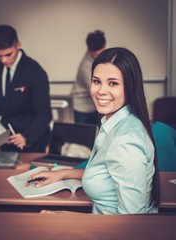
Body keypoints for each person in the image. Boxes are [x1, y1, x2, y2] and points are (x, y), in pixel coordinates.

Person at [26, 47, 160, 215]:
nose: (101, 91)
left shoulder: (126, 142)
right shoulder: (115, 124)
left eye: (113, 83)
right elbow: (106, 173)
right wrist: (62, 173)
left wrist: (69, 217)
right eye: (97, 81)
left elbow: (131, 223)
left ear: (130, 87)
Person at [0, 25, 52, 152]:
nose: (4, 60)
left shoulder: (35, 71)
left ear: (18, 45)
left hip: (32, 140)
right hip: (6, 137)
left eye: (8, 54)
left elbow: (44, 114)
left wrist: (27, 137)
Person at [71, 30, 106, 125]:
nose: (99, 56)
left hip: (92, 105)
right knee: (84, 136)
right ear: (89, 50)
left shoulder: (98, 59)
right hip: (81, 106)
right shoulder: (86, 67)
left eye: (101, 52)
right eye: (96, 53)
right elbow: (95, 91)